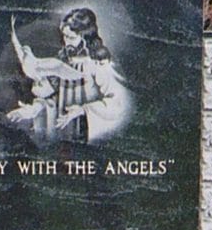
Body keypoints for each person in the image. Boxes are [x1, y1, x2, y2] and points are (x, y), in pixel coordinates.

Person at [8, 8, 131, 143]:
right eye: (65, 36)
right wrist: (34, 109)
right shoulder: (64, 60)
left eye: (71, 37)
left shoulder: (98, 64)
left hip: (85, 130)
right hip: (64, 133)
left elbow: (118, 102)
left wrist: (82, 110)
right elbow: (55, 99)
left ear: (85, 36)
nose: (67, 42)